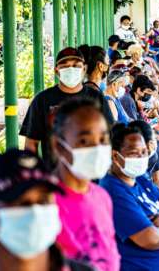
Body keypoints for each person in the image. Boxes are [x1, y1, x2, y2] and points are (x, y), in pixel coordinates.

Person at [100, 122, 159, 271]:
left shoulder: (140, 179)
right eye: (134, 153)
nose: (141, 158)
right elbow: (150, 239)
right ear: (115, 155)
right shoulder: (113, 191)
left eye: (144, 152)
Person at [51, 97, 121, 271]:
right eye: (84, 141)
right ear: (58, 147)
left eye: (103, 140)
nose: (97, 149)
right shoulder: (44, 202)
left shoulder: (101, 196)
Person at [20, 47, 114, 168]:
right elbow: (31, 143)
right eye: (64, 66)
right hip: (55, 175)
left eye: (76, 65)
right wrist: (33, 173)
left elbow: (110, 134)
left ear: (84, 69)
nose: (71, 69)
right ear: (56, 71)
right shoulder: (42, 100)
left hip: (91, 173)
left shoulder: (96, 98)